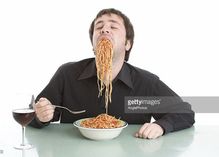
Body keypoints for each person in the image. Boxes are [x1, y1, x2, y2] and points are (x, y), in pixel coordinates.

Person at [29, 8, 195, 139]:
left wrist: (161, 126)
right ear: (93, 45)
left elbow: (185, 112)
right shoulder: (67, 74)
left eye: (113, 26)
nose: (104, 30)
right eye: (99, 27)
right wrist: (40, 116)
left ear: (127, 44)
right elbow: (34, 113)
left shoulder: (145, 82)